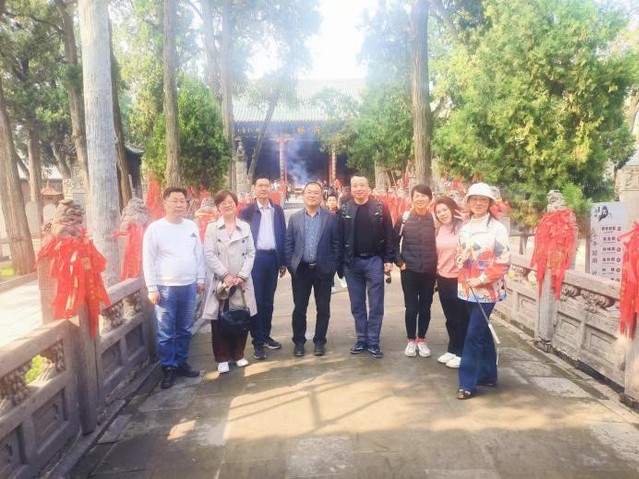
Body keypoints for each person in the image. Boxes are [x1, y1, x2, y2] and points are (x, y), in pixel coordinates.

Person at [143, 187, 205, 389]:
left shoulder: (191, 226)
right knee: (166, 331)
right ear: (165, 203)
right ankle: (168, 367)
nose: (179, 204)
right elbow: (148, 260)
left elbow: (198, 254)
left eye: (182, 201)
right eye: (174, 200)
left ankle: (181, 362)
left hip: (189, 285)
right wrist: (152, 288)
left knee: (185, 328)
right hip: (165, 287)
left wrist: (200, 278)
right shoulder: (155, 229)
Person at [456, 182, 510, 399]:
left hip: (487, 290)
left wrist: (482, 279)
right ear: (468, 202)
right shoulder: (465, 228)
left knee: (472, 334)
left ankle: (467, 383)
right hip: (467, 288)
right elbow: (460, 253)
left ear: (489, 203)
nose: (478, 203)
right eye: (474, 199)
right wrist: (461, 258)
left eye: (483, 200)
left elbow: (503, 261)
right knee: (482, 331)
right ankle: (488, 374)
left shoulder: (497, 229)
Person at [338, 175, 396, 358]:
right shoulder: (344, 209)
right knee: (357, 304)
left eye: (362, 185)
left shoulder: (380, 207)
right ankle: (361, 339)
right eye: (355, 185)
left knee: (376, 304)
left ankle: (373, 341)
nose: (359, 188)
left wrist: (388, 258)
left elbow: (389, 234)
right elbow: (339, 237)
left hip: (374, 261)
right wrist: (340, 264)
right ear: (351, 188)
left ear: (368, 187)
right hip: (352, 262)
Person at [202, 190, 257, 374]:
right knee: (220, 320)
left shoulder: (245, 226)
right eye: (223, 203)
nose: (227, 205)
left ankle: (238, 354)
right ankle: (222, 357)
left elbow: (251, 252)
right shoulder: (212, 228)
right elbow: (209, 254)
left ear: (236, 204)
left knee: (241, 317)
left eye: (230, 202)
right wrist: (225, 275)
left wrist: (242, 275)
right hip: (222, 283)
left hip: (241, 282)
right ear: (218, 207)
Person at [285, 182, 341, 357]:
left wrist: (332, 267)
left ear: (321, 196)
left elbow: (336, 244)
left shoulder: (330, 218)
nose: (312, 195)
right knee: (299, 308)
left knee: (323, 308)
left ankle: (319, 341)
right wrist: (291, 265)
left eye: (316, 193)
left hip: (323, 269)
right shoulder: (294, 218)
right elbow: (288, 244)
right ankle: (299, 342)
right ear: (303, 195)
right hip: (301, 270)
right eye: (309, 192)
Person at [238, 176, 287, 360]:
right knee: (256, 301)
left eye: (267, 185)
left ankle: (266, 336)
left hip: (272, 259)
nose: (264, 188)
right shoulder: (247, 211)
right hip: (255, 260)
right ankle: (257, 342)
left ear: (270, 188)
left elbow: (282, 234)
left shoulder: (277, 210)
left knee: (268, 301)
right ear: (255, 188)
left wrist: (283, 261)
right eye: (260, 186)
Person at [394, 184, 437, 358]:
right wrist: (400, 263)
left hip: (429, 271)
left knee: (426, 307)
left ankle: (421, 339)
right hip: (409, 271)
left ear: (430, 199)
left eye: (424, 196)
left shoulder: (435, 219)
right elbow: (393, 241)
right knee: (411, 307)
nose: (420, 199)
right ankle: (411, 340)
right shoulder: (404, 218)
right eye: (417, 196)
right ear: (411, 199)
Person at [433, 196, 469, 369]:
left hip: (459, 278)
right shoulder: (438, 229)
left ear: (452, 209)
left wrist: (466, 221)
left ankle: (462, 353)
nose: (442, 214)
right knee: (450, 317)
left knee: (461, 317)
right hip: (443, 277)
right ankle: (452, 349)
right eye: (439, 211)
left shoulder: (463, 227)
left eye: (445, 210)